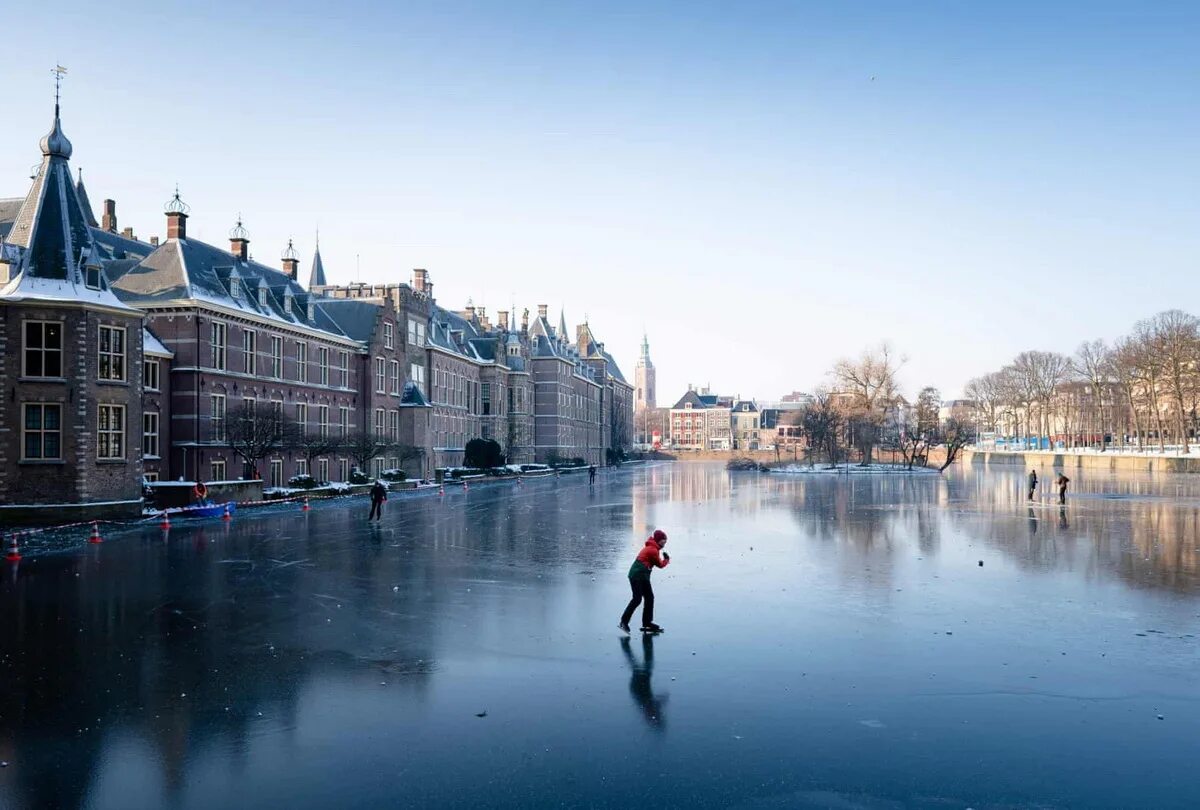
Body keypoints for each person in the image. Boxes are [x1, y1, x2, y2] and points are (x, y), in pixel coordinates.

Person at [620, 529, 670, 634]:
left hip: (642, 576)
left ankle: (647, 622)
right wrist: (666, 560)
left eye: (665, 541)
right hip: (637, 575)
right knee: (637, 599)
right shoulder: (653, 550)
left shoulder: (653, 548)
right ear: (658, 540)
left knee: (649, 598)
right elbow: (660, 565)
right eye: (663, 541)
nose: (665, 543)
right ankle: (623, 622)